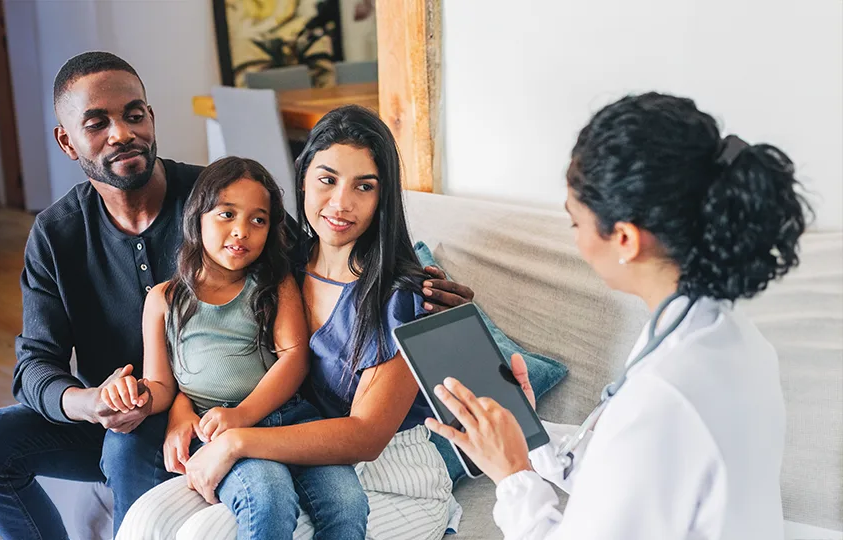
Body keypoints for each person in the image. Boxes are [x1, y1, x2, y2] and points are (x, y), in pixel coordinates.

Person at [0, 52, 471, 540]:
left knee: (135, 453)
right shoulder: (57, 233)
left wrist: (425, 291)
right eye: (98, 124)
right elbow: (33, 366)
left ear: (151, 117)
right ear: (67, 142)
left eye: (134, 115)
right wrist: (93, 403)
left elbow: (324, 257)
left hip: (238, 410)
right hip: (140, 408)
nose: (122, 134)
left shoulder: (222, 198)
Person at [426, 92, 810, 539]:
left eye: (576, 222)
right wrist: (532, 435)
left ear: (625, 239)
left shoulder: (664, 396)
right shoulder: (722, 333)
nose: (577, 241)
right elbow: (630, 475)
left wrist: (512, 475)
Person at [117, 105, 463, 540]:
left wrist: (236, 441)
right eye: (327, 179)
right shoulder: (280, 268)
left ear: (382, 197)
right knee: (147, 521)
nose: (341, 202)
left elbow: (366, 437)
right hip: (281, 444)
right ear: (302, 180)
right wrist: (183, 412)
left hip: (386, 473)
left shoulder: (399, 297)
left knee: (207, 534)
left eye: (364, 186)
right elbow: (212, 356)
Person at [103, 156, 368, 539]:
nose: (242, 230)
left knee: (348, 503)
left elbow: (294, 359)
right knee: (268, 498)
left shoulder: (274, 284)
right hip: (215, 431)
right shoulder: (163, 299)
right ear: (197, 218)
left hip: (290, 418)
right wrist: (133, 395)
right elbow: (161, 387)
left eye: (258, 220)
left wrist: (243, 414)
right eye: (227, 214)